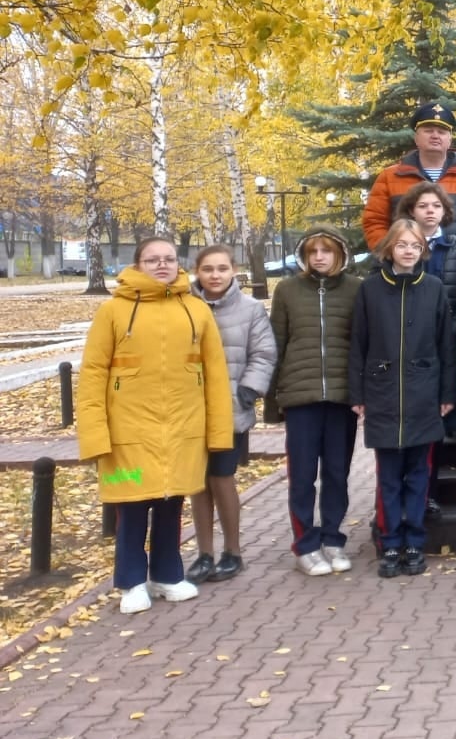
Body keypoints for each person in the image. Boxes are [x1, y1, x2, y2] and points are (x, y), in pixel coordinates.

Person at [78, 237, 232, 614]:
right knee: (130, 506)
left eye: (168, 259)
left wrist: (218, 433)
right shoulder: (112, 312)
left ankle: (167, 575)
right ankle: (131, 582)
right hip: (126, 433)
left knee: (171, 502)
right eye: (152, 260)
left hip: (182, 429)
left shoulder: (196, 310)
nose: (161, 265)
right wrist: (94, 436)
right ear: (137, 264)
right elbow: (93, 373)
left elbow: (214, 374)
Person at [349, 219, 456, 578]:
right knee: (389, 477)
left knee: (418, 476)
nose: (408, 251)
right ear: (389, 249)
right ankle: (390, 542)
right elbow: (358, 345)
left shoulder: (435, 288)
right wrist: (358, 393)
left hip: (423, 394)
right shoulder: (370, 289)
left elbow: (445, 345)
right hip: (383, 396)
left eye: (415, 246)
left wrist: (446, 393)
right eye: (402, 245)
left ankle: (414, 542)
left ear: (422, 250)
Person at [268, 226, 360, 576]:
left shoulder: (355, 289)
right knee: (302, 476)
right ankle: (305, 544)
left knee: (337, 473)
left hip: (341, 397)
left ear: (340, 253)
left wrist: (361, 394)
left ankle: (333, 539)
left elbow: (361, 343)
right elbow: (276, 341)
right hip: (300, 396)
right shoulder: (288, 290)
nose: (319, 257)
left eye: (326, 250)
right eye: (312, 251)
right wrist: (273, 400)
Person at [186, 246, 278, 583]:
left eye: (222, 268)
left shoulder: (251, 309)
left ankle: (233, 551)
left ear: (233, 270)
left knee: (221, 478)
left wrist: (248, 390)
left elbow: (264, 353)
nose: (214, 275)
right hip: (191, 410)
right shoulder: (186, 306)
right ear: (197, 271)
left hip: (230, 408)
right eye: (207, 269)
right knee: (197, 482)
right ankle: (204, 554)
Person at [362, 101, 456, 261]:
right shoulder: (390, 177)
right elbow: (374, 221)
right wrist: (392, 256)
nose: (435, 136)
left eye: (441, 132)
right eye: (428, 131)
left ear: (449, 139)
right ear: (416, 138)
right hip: (405, 272)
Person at [395, 182, 456, 445]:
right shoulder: (399, 247)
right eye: (423, 206)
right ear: (411, 211)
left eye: (436, 206)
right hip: (411, 332)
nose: (430, 211)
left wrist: (453, 328)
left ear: (445, 211)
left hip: (450, 328)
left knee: (452, 371)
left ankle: (455, 422)